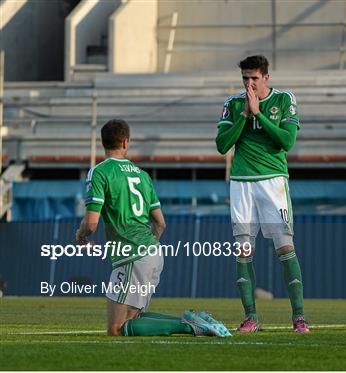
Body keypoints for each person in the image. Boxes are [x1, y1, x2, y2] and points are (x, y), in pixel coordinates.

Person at [76, 119, 230, 337]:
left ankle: (189, 326)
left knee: (115, 329)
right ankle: (192, 321)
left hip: (131, 256)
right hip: (152, 253)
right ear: (126, 142)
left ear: (103, 142)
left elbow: (91, 224)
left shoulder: (100, 172)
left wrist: (81, 236)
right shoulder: (142, 175)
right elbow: (160, 223)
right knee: (133, 319)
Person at [215, 55, 308, 333]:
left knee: (285, 248)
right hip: (241, 181)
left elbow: (286, 141)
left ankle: (299, 317)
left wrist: (258, 114)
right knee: (243, 251)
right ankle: (251, 317)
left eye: (254, 78)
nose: (249, 83)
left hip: (273, 183)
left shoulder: (284, 100)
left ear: (266, 77)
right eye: (245, 78)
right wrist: (245, 114)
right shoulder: (232, 104)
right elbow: (222, 146)